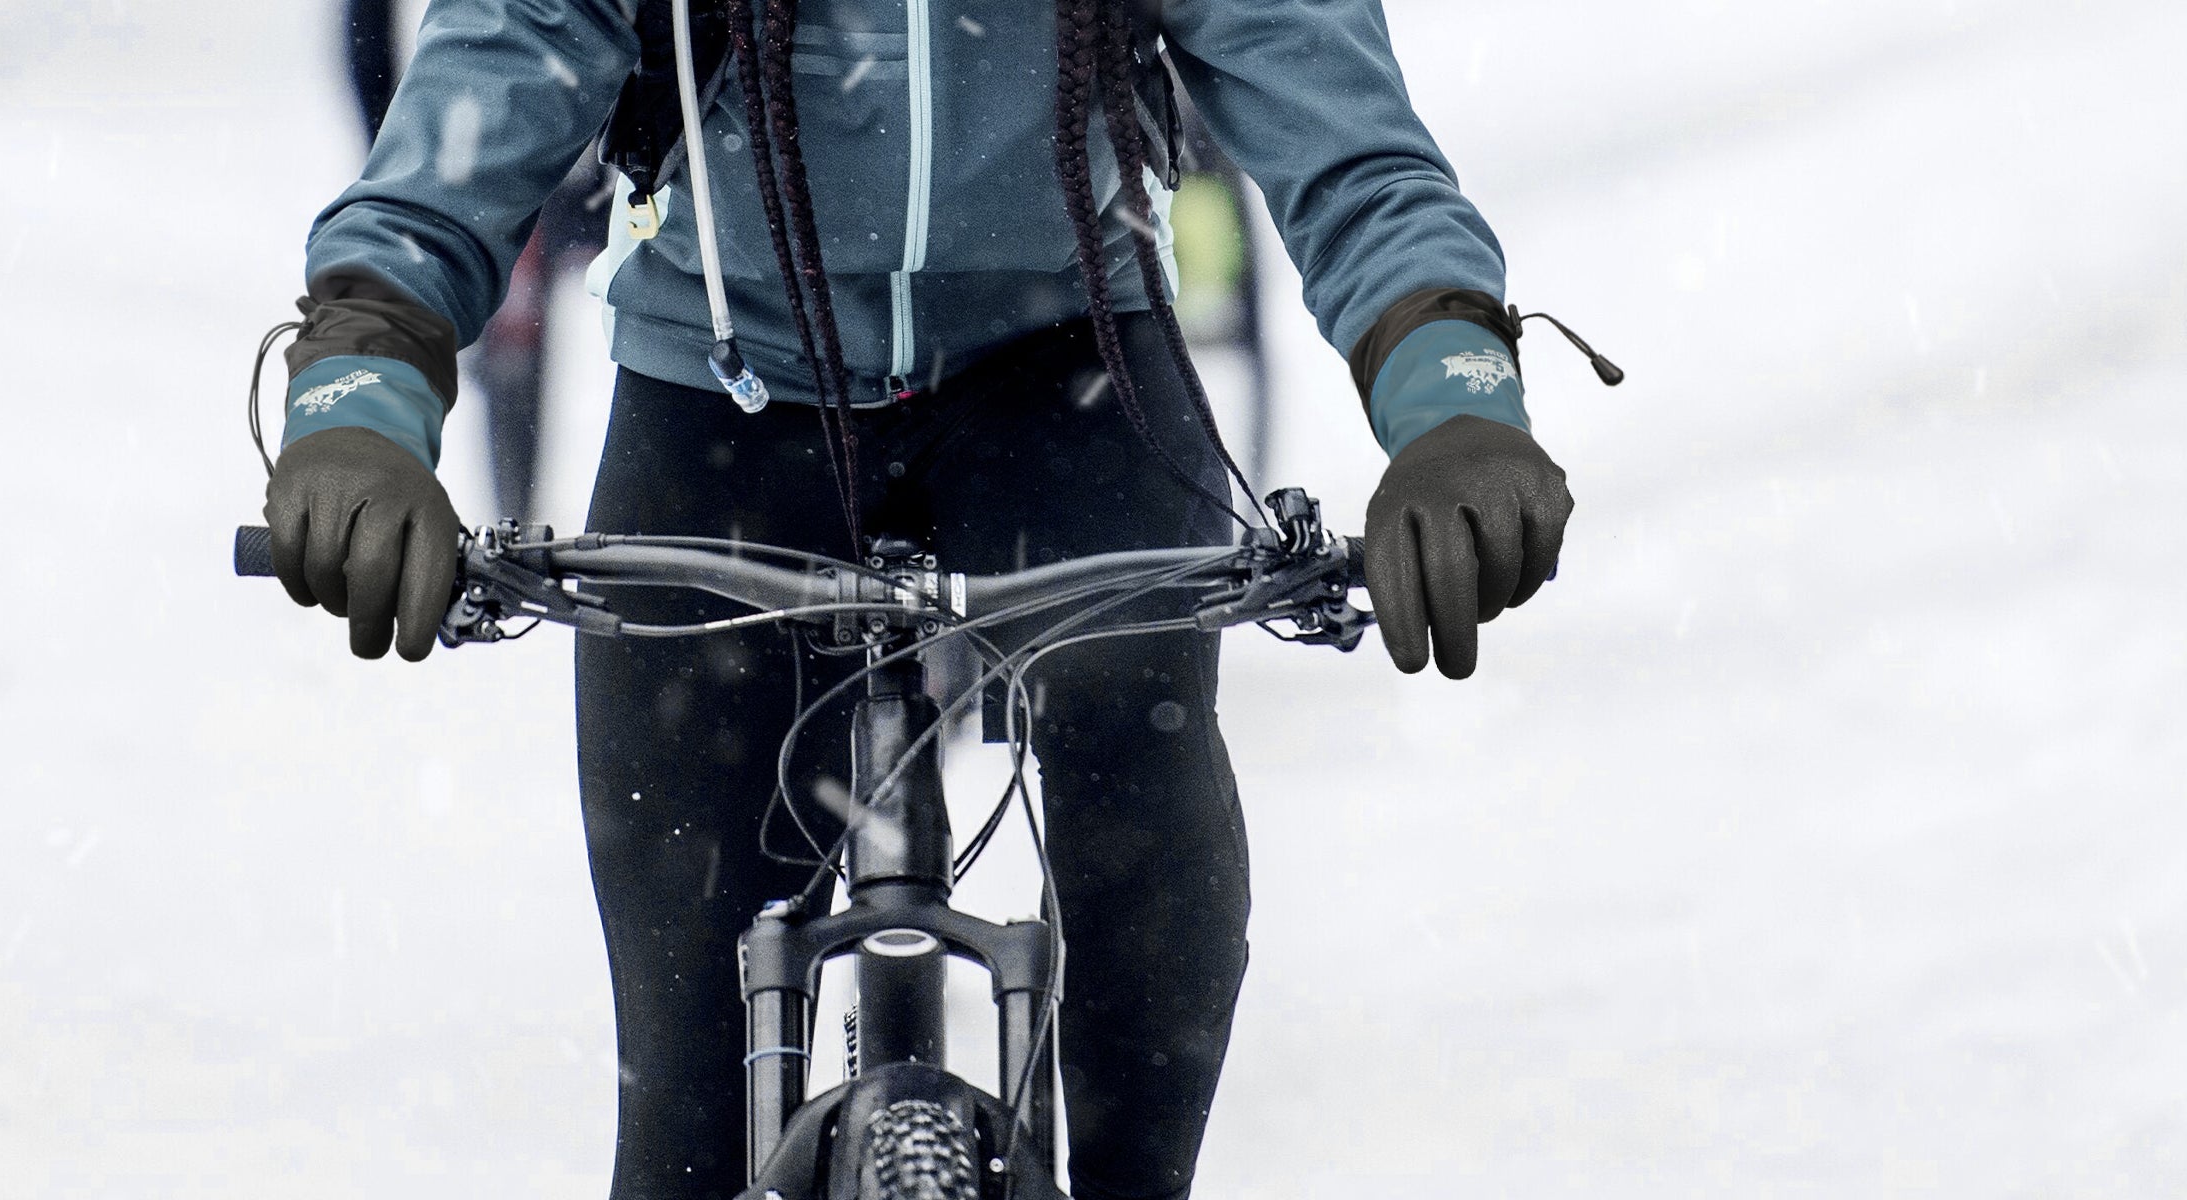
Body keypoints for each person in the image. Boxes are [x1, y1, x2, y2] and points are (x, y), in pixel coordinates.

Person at [257, 2, 1577, 1197]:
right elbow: (486, 87)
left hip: (1072, 363)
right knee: (681, 1120)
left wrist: (1452, 405)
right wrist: (359, 406)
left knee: (1133, 744)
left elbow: (1339, 127)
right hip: (726, 387)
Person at [342, 0, 610, 523]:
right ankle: (514, 524)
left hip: (561, 132)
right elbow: (366, 27)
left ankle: (517, 524)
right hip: (506, 138)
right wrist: (397, 162)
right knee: (513, 336)